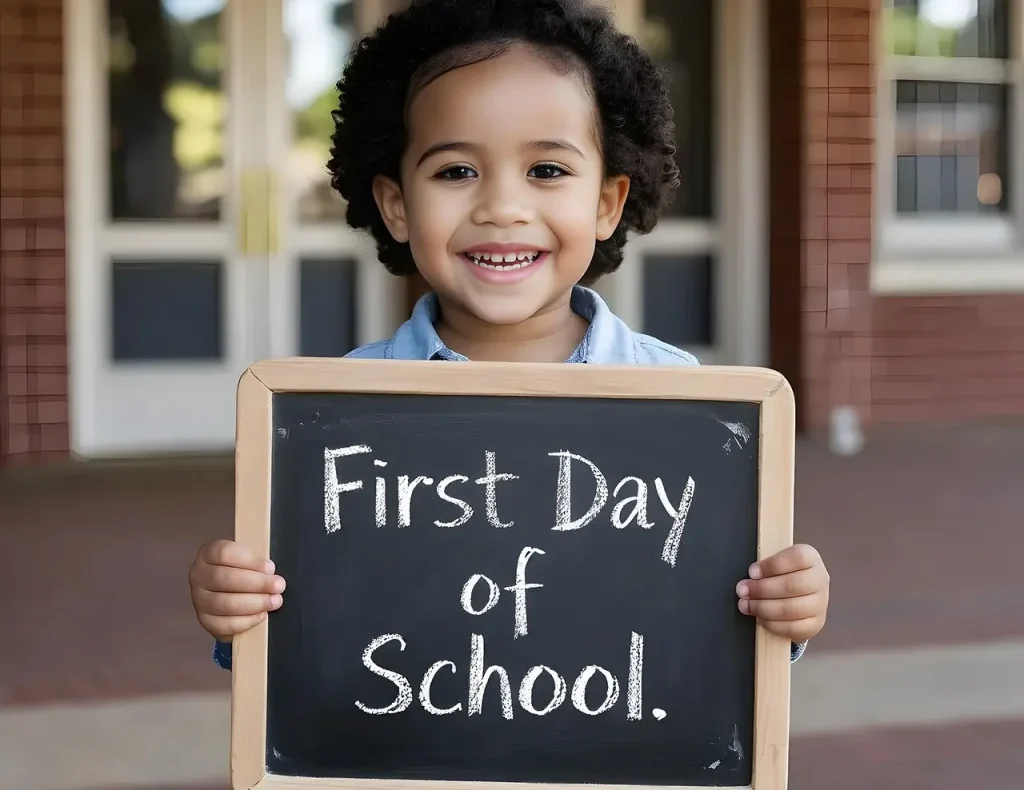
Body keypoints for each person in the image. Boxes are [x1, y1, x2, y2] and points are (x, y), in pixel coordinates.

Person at [188, 0, 830, 673]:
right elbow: (307, 645)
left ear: (607, 202)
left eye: (547, 170)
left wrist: (786, 612)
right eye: (456, 171)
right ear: (397, 205)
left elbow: (708, 640)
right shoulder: (332, 419)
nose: (502, 207)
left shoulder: (689, 413)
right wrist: (237, 612)